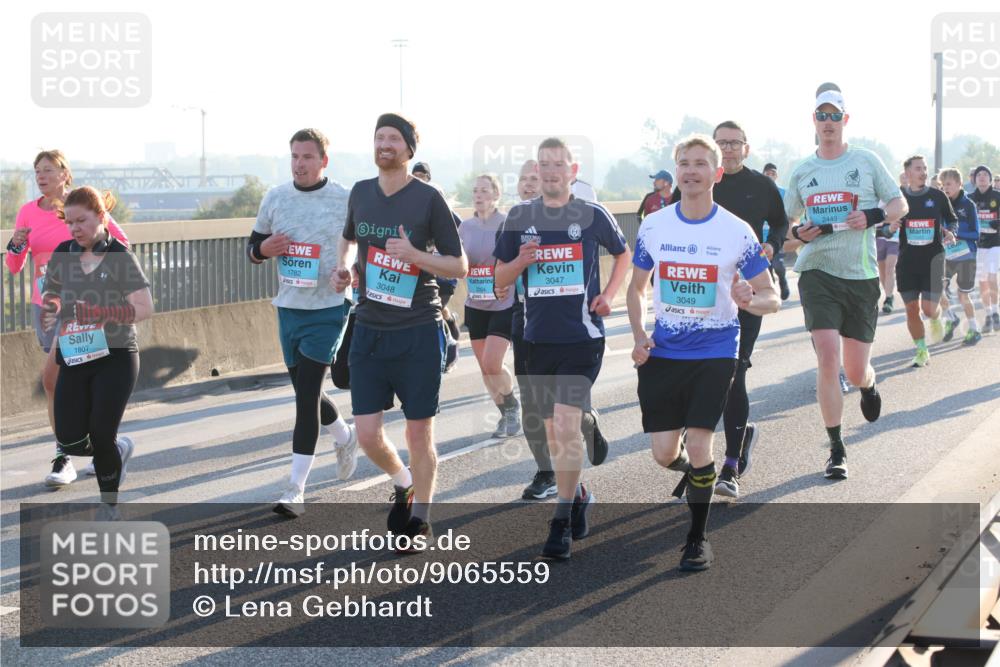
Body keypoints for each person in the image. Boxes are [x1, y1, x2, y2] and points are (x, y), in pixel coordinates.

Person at [627, 134, 779, 570]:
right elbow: (636, 289)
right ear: (676, 171)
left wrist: (750, 299)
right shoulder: (655, 225)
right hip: (665, 351)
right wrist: (638, 335)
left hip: (716, 349)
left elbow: (772, 297)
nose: (691, 171)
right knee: (663, 453)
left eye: (700, 164)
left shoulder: (736, 231)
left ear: (717, 173)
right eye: (684, 163)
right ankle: (701, 476)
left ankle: (696, 540)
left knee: (698, 442)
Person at [334, 113, 467, 549]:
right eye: (380, 137)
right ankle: (402, 480)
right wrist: (343, 268)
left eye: (393, 138)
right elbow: (349, 238)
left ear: (410, 148)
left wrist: (415, 255)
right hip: (369, 328)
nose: (385, 144)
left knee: (418, 433)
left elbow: (459, 265)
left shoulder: (428, 199)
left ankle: (421, 520)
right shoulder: (360, 192)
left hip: (417, 330)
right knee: (367, 434)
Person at [494, 137, 630, 560]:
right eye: (544, 164)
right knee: (555, 434)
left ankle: (560, 521)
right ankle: (579, 494)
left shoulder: (591, 214)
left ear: (572, 171)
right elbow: (499, 279)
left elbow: (623, 254)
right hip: (537, 340)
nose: (551, 171)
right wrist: (521, 262)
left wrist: (609, 295)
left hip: (582, 339)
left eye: (559, 164)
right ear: (536, 171)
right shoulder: (519, 217)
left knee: (567, 426)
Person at [783, 89, 906, 479]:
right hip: (817, 271)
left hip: (861, 275)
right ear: (814, 121)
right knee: (827, 356)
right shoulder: (802, 171)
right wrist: (798, 234)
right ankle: (836, 448)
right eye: (822, 115)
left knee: (854, 370)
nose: (828, 122)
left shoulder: (866, 161)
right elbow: (784, 230)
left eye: (834, 115)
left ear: (845, 120)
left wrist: (872, 216)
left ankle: (867, 384)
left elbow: (899, 204)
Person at [665, 121, 786, 499]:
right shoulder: (693, 181)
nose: (729, 148)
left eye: (735, 143)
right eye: (723, 143)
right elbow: (673, 225)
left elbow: (780, 223)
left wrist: (771, 247)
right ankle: (704, 451)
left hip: (744, 290)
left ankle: (731, 465)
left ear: (746, 148)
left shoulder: (762, 186)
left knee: (733, 372)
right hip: (699, 296)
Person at [247, 128, 359, 517]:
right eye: (295, 156)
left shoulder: (345, 198)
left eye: (308, 157)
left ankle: (295, 488)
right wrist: (263, 249)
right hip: (289, 307)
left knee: (306, 395)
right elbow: (252, 248)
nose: (299, 164)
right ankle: (344, 435)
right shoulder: (275, 197)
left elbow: (359, 244)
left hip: (329, 307)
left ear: (323, 161)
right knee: (304, 391)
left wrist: (347, 271)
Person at [5, 150, 129, 488]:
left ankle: (65, 457)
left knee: (52, 379)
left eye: (48, 170)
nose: (41, 176)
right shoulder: (27, 212)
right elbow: (14, 266)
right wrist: (15, 244)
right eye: (36, 171)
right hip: (45, 305)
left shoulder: (81, 205)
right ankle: (106, 447)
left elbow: (120, 243)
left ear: (64, 174)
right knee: (65, 381)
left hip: (80, 306)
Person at [41, 187, 152, 505]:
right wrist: (53, 308)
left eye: (81, 221)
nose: (74, 229)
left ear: (101, 217)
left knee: (102, 434)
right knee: (69, 439)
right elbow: (51, 292)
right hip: (75, 353)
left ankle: (109, 507)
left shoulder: (119, 256)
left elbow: (144, 308)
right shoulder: (63, 253)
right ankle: (117, 449)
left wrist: (102, 313)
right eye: (69, 222)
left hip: (116, 355)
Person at [460, 174, 521, 438]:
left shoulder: (507, 224)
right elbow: (458, 262)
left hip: (503, 303)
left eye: (485, 190)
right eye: (475, 190)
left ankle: (512, 405)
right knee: (484, 368)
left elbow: (518, 261)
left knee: (492, 362)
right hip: (475, 303)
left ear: (496, 194)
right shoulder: (464, 227)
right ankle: (504, 413)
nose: (479, 195)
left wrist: (508, 278)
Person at [509, 160, 556, 500]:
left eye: (534, 179)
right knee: (530, 401)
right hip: (524, 316)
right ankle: (546, 471)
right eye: (523, 179)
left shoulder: (565, 218)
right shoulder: (514, 221)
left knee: (563, 402)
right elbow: (501, 272)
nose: (528, 184)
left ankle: (587, 420)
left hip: (564, 321)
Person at [889, 156, 957, 367]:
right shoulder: (898, 198)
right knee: (911, 308)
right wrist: (889, 227)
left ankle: (936, 317)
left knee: (928, 309)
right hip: (907, 262)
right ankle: (921, 351)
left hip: (933, 260)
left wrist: (951, 232)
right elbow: (884, 226)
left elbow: (952, 219)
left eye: (925, 168)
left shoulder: (937, 196)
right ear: (907, 173)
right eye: (918, 168)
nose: (923, 172)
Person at [937, 168, 982, 345]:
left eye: (948, 184)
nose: (945, 188)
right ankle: (951, 317)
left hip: (966, 256)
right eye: (942, 185)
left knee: (963, 295)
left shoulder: (968, 205)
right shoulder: (941, 204)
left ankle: (974, 329)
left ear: (959, 184)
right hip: (947, 256)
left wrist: (955, 234)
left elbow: (976, 234)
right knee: (936, 289)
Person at [969, 165, 1000, 332]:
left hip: (995, 242)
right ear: (974, 179)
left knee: (991, 275)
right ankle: (988, 314)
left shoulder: (997, 196)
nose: (982, 177)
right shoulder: (969, 199)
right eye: (978, 174)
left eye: (985, 174)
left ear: (990, 179)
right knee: (982, 280)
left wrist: (998, 223)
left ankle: (996, 312)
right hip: (978, 245)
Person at [762, 163, 791, 301]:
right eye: (767, 173)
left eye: (772, 173)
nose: (770, 176)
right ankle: (772, 294)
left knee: (778, 265)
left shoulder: (784, 193)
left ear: (776, 176)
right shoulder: (757, 191)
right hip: (761, 237)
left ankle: (783, 281)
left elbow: (790, 214)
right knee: (766, 268)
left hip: (777, 235)